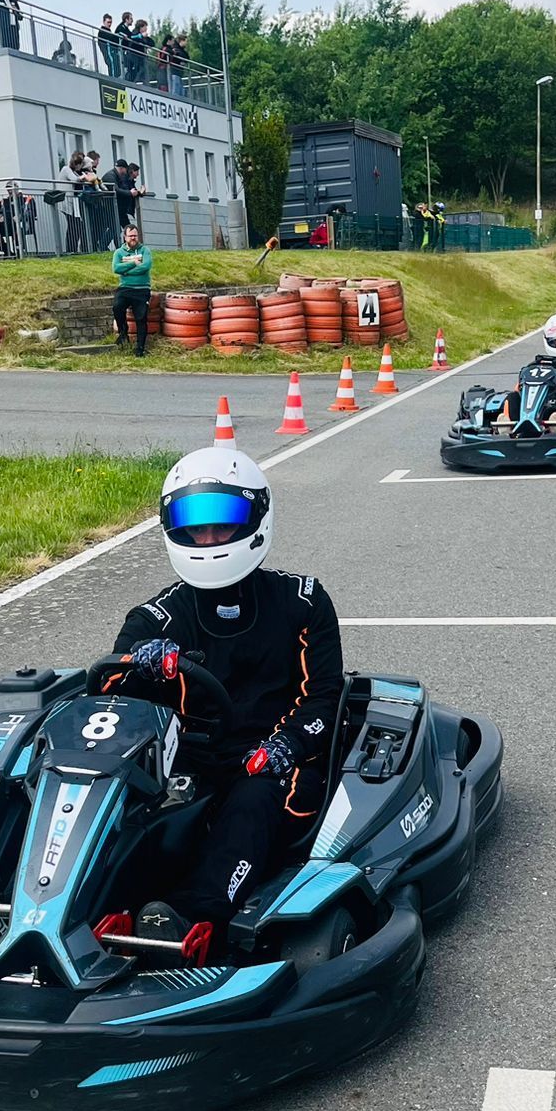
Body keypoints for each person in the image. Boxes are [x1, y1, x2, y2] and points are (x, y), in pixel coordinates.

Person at [108, 447, 345, 944]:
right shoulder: (154, 620)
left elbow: (323, 700)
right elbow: (109, 699)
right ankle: (49, 896)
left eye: (223, 524)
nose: (209, 538)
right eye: (195, 526)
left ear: (256, 518)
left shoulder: (302, 603)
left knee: (253, 798)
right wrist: (138, 667)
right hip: (185, 765)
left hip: (269, 762)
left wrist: (287, 746)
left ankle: (193, 918)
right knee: (115, 794)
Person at [110, 222, 152, 354]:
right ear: (125, 237)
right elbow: (116, 268)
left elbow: (145, 267)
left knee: (141, 317)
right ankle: (123, 333)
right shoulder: (119, 252)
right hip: (125, 288)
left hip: (142, 288)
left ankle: (140, 348)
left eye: (135, 235)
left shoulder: (145, 250)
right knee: (117, 307)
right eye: (130, 236)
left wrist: (126, 271)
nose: (133, 238)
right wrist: (134, 263)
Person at [56, 151, 88, 252]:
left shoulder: (73, 171)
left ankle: (73, 249)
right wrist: (84, 177)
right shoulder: (66, 169)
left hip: (72, 203)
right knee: (73, 225)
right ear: (77, 164)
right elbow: (74, 179)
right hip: (66, 202)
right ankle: (70, 249)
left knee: (75, 225)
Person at [123, 18, 152, 83]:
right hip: (133, 56)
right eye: (145, 27)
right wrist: (141, 36)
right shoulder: (135, 32)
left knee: (141, 71)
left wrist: (145, 39)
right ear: (141, 27)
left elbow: (152, 43)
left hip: (140, 58)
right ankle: (130, 82)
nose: (146, 29)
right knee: (134, 71)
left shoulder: (143, 35)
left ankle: (138, 82)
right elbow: (132, 38)